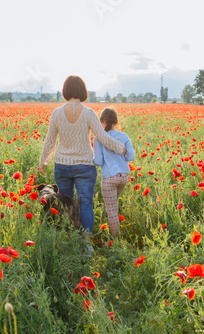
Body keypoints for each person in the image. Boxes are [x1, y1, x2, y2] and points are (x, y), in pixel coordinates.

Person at [39, 76, 126, 250]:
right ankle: (87, 245)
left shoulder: (56, 113)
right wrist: (120, 148)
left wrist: (43, 161)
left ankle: (69, 239)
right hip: (85, 166)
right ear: (82, 91)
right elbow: (102, 137)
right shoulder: (88, 113)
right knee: (85, 202)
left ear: (65, 91)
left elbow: (50, 141)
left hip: (62, 165)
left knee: (65, 204)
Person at [93, 107, 135, 237]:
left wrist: (89, 160)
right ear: (116, 122)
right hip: (123, 177)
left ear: (102, 121)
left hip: (110, 179)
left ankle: (115, 241)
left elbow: (99, 161)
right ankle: (112, 231)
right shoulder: (123, 136)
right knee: (113, 205)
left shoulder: (99, 138)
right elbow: (131, 157)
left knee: (111, 211)